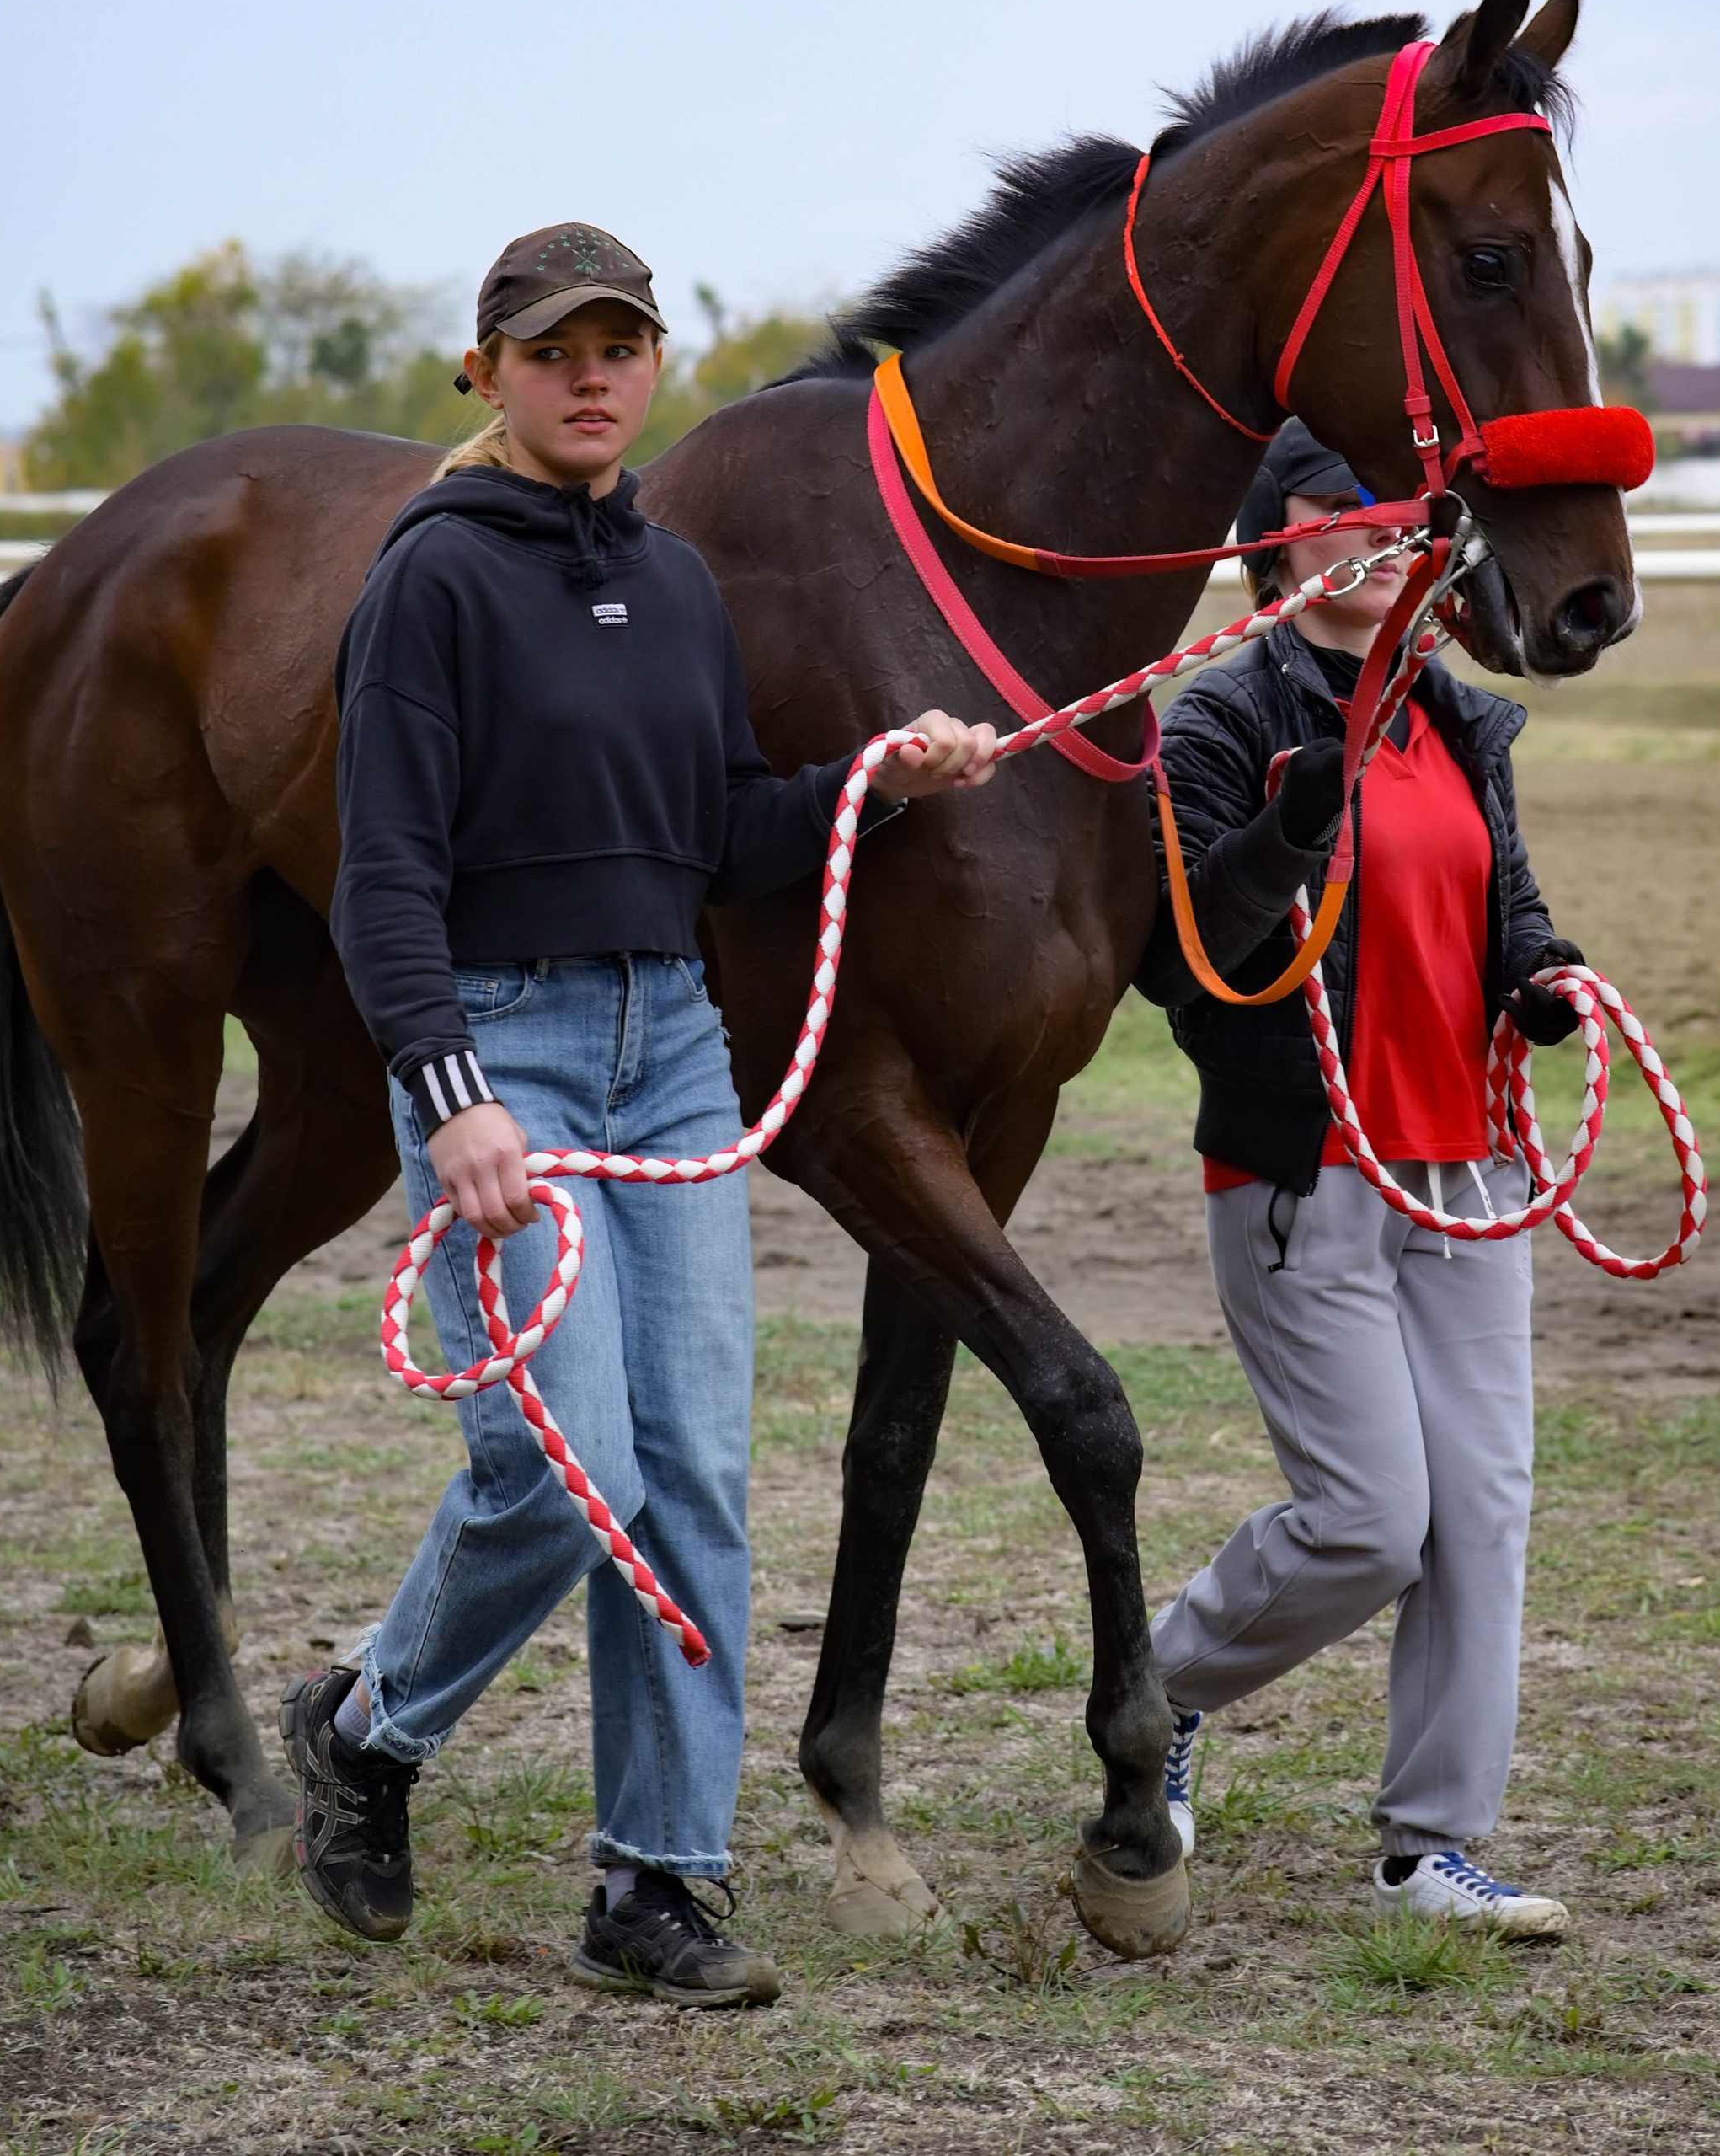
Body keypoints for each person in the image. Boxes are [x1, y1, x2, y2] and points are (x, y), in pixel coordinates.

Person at [280, 223, 996, 2007]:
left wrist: (867, 788)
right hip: (498, 1057)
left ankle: (653, 1882)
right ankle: (368, 1729)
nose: (590, 374)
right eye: (552, 349)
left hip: (668, 1044)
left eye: (619, 346)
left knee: (688, 1473)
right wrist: (448, 1097)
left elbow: (717, 832)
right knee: (562, 1469)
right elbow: (381, 878)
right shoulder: (428, 580)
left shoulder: (670, 582)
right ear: (489, 373)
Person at [1135, 418, 1584, 1939]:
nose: (1374, 539)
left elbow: (1503, 903)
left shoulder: (1453, 715)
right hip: (1303, 1175)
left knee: (1484, 1516)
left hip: (1467, 1172)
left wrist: (1543, 977)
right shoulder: (1214, 719)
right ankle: (1160, 1686)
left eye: (1401, 516)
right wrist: (1283, 829)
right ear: (1276, 538)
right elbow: (1194, 962)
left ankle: (1428, 1850)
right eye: (1339, 513)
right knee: (1372, 1521)